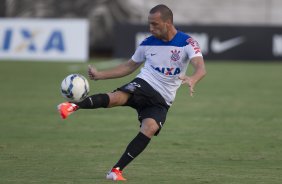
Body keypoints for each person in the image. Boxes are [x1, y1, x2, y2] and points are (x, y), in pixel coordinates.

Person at [57, 4, 206, 181]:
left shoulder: (187, 42)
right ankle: (72, 105)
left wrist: (193, 79)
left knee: (150, 128)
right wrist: (100, 75)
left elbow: (200, 67)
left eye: (155, 24)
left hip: (163, 99)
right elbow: (129, 66)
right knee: (117, 98)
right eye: (149, 24)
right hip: (145, 83)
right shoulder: (147, 43)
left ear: (168, 23)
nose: (151, 28)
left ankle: (116, 170)